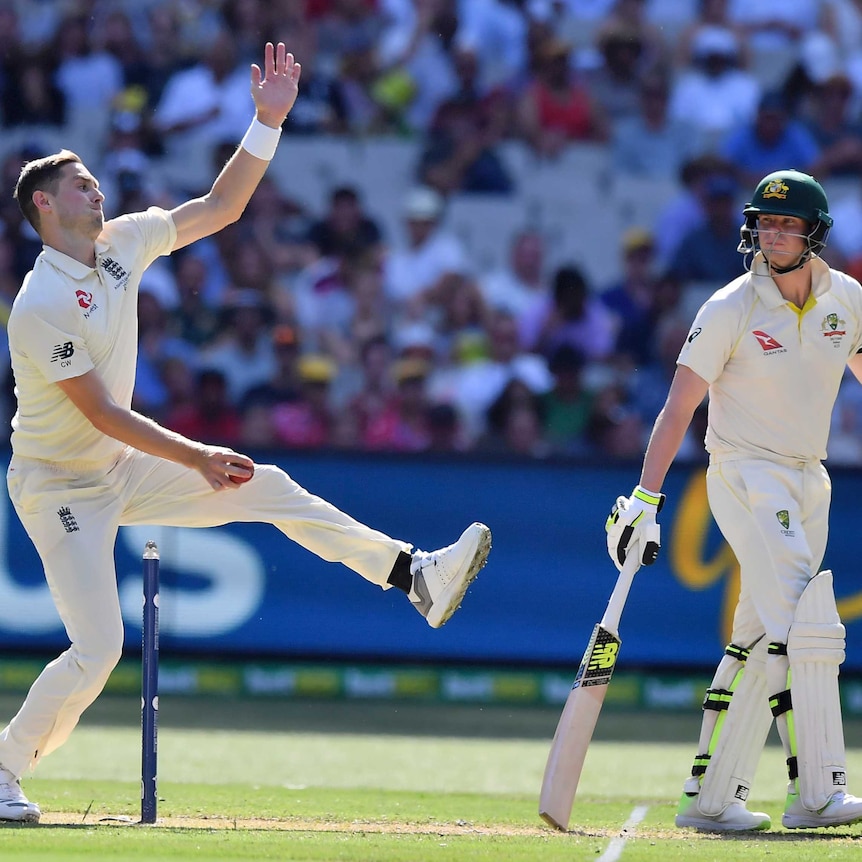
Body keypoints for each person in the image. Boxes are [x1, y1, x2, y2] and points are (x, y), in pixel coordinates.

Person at [0, 42, 492, 824]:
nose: (96, 190)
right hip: (59, 486)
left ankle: (412, 575)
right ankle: (4, 768)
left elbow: (219, 209)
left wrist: (266, 122)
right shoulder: (39, 304)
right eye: (78, 185)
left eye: (94, 180)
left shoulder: (122, 242)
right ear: (44, 209)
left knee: (268, 486)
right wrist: (194, 456)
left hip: (121, 464)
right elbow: (97, 411)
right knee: (98, 649)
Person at [605, 169, 862, 832]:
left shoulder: (847, 301)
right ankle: (818, 791)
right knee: (807, 620)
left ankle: (711, 798)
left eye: (787, 223)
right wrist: (644, 495)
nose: (773, 233)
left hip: (811, 477)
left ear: (814, 233)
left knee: (756, 635)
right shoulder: (730, 306)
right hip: (746, 474)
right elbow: (678, 406)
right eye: (765, 223)